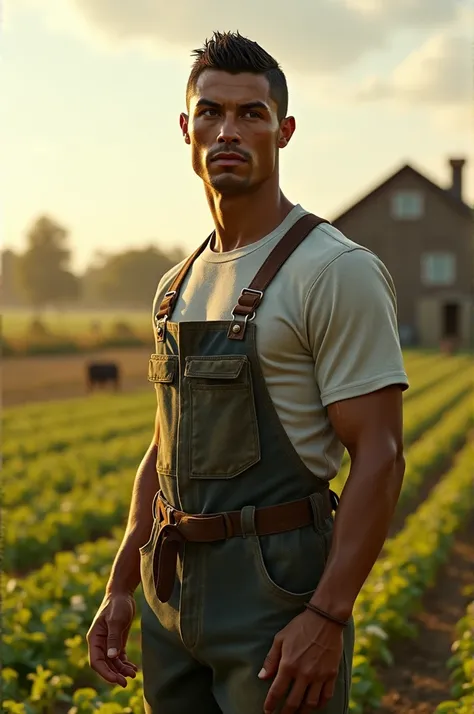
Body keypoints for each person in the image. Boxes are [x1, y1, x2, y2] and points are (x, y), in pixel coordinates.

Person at [87, 30, 409, 714]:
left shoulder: (332, 270)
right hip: (171, 589)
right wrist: (122, 582)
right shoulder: (176, 284)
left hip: (275, 595)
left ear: (283, 131)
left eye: (250, 114)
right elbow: (163, 449)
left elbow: (379, 455)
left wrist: (327, 617)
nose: (227, 130)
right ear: (186, 128)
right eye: (211, 112)